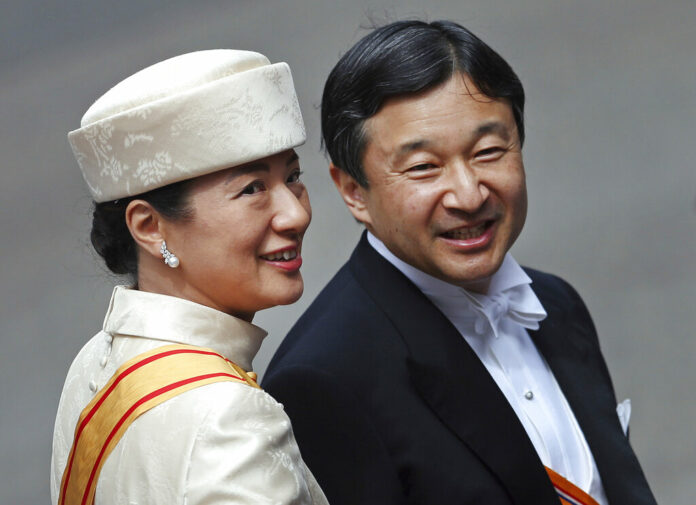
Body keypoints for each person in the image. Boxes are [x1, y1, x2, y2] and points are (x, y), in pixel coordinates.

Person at [263, 20, 657, 505]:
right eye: (424, 167)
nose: (469, 195)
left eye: (489, 152)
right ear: (352, 191)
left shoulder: (556, 303)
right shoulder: (324, 380)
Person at [50, 49, 327, 505]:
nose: (295, 213)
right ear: (149, 226)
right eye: (252, 188)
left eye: (293, 176)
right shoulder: (230, 420)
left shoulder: (95, 362)